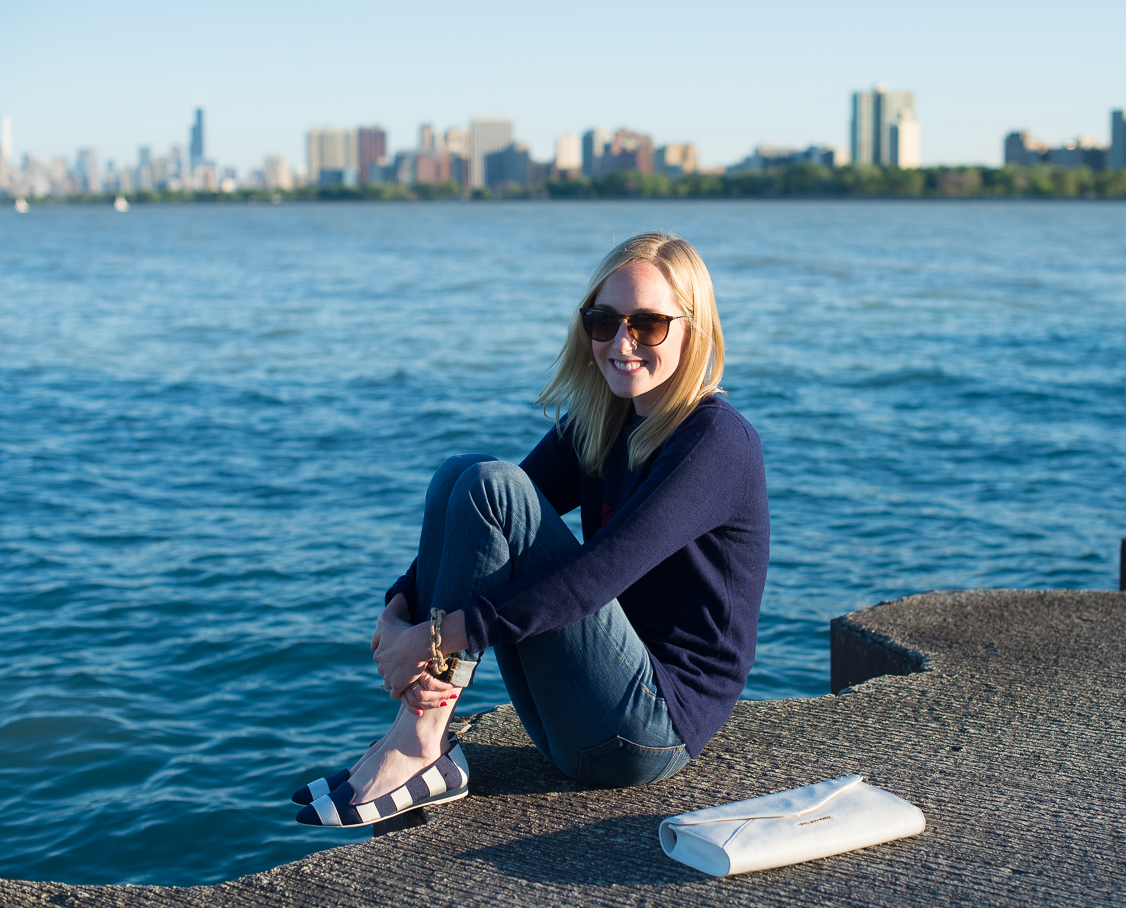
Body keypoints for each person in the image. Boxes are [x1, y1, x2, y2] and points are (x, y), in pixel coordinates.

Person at [294, 233, 770, 828]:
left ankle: (419, 744)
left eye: (648, 325)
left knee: (493, 486)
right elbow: (479, 516)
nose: (622, 343)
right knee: (461, 477)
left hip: (647, 733)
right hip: (574, 720)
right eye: (603, 321)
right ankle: (416, 739)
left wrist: (439, 639)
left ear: (692, 331)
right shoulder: (604, 419)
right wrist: (400, 608)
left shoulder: (717, 441)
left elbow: (596, 576)